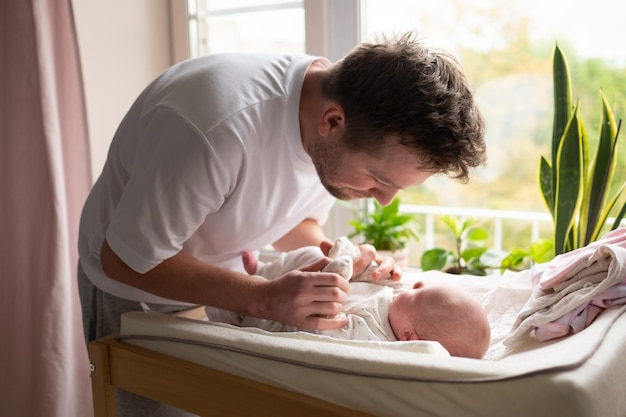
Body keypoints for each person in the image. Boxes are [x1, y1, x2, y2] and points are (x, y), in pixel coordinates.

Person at [78, 31, 486, 415]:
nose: (383, 200)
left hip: (230, 287)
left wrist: (335, 262)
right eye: (379, 180)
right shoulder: (213, 128)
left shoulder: (330, 127)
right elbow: (127, 259)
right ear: (332, 122)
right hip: (137, 289)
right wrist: (263, 298)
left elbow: (294, 217)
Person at [237, 237, 491, 359]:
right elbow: (367, 275)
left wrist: (336, 276)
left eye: (417, 294)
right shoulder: (394, 298)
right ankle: (261, 270)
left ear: (408, 337)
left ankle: (255, 290)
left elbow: (328, 333)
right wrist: (357, 262)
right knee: (310, 253)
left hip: (289, 311)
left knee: (307, 265)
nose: (416, 284)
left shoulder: (371, 335)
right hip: (306, 282)